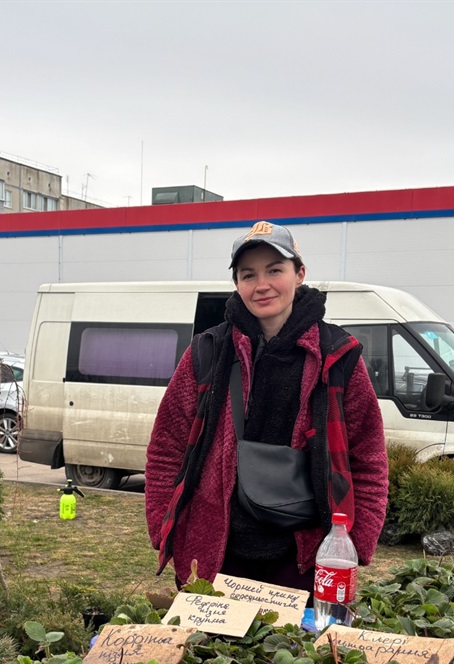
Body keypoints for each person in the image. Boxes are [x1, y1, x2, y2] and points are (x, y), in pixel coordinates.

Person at [145, 221, 388, 590]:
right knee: (211, 648)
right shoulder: (207, 352)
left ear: (300, 273)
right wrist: (163, 527)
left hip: (303, 559)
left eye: (275, 270)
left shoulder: (338, 357)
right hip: (214, 553)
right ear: (237, 284)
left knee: (293, 649)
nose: (262, 285)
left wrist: (355, 543)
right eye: (248, 275)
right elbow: (167, 447)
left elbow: (368, 458)